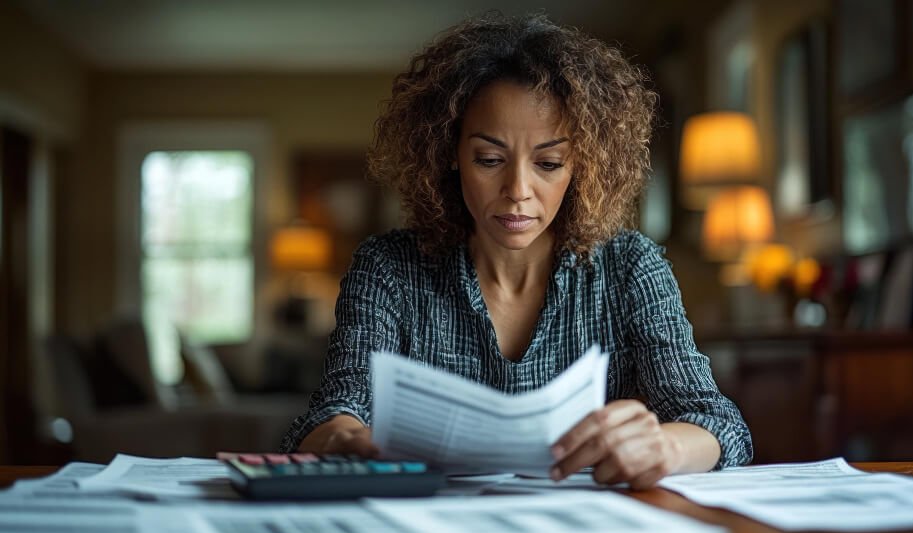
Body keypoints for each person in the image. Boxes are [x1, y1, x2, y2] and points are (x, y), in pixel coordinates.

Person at [281, 12, 752, 489]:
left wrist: (664, 447)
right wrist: (345, 440)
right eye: (489, 159)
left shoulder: (630, 268)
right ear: (450, 152)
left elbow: (717, 422)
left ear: (580, 166)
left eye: (548, 163)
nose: (518, 190)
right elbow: (333, 412)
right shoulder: (389, 269)